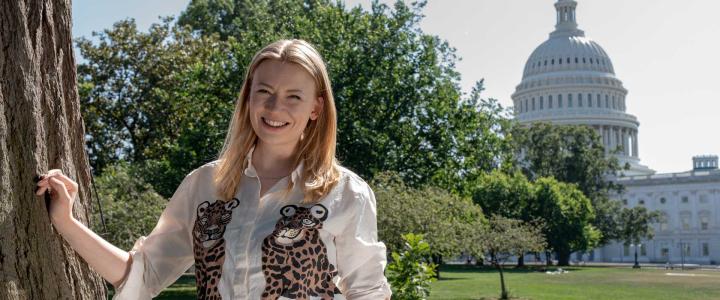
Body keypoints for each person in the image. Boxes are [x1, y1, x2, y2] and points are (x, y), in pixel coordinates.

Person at [35, 39, 392, 300]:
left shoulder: (347, 193)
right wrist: (66, 222)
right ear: (249, 97)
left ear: (316, 108)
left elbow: (369, 292)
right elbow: (141, 275)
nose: (274, 107)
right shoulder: (205, 185)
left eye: (293, 96)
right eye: (264, 91)